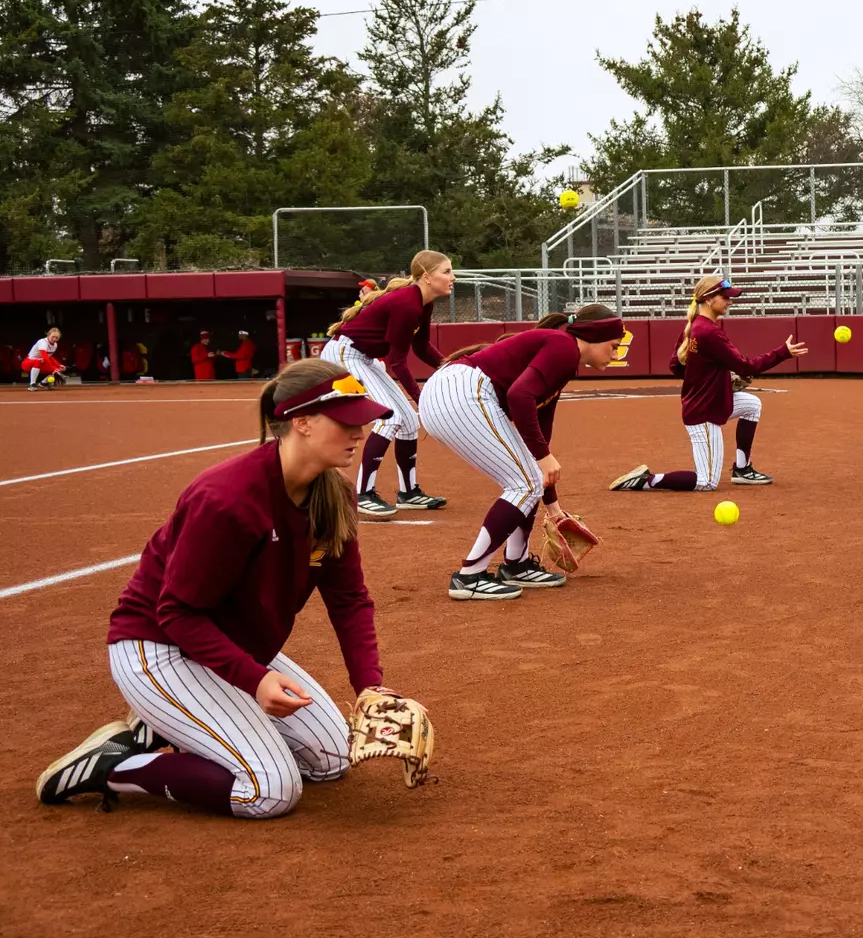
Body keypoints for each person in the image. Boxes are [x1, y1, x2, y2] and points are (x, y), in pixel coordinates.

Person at [36, 360, 413, 819]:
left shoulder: (332, 495)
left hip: (227, 644)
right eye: (347, 419)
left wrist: (370, 687)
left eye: (363, 419)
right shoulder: (227, 498)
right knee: (269, 793)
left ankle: (172, 726)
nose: (361, 430)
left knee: (332, 760)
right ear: (302, 422)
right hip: (158, 646)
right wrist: (254, 680)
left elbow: (349, 599)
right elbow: (176, 613)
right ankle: (115, 766)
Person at [422, 305, 630, 601]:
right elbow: (519, 396)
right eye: (613, 346)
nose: (615, 353)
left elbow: (539, 441)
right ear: (593, 337)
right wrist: (543, 460)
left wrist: (554, 508)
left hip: (453, 392)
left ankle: (516, 564)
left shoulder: (562, 355)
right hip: (460, 393)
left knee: (530, 478)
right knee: (524, 482)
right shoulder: (564, 348)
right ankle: (469, 575)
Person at [610, 276, 806, 492]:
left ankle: (742, 469)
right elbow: (746, 367)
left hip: (707, 400)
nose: (730, 302)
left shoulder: (694, 326)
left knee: (752, 405)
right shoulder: (709, 332)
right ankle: (646, 480)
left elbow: (675, 365)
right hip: (703, 412)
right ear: (709, 299)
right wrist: (782, 353)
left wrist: (710, 380)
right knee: (706, 482)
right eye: (726, 298)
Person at [321, 250, 455, 519]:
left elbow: (422, 347)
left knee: (407, 421)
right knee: (389, 417)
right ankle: (363, 494)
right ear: (427, 277)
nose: (453, 277)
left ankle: (408, 493)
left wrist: (452, 367)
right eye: (447, 271)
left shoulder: (423, 303)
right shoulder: (407, 304)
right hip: (345, 355)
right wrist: (421, 399)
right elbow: (397, 361)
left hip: (364, 357)